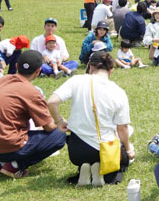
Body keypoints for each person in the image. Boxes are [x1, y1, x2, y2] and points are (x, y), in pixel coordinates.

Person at [0, 50, 67, 177]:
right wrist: (60, 121)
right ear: (38, 71)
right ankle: (15, 166)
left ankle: (1, 163)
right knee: (59, 135)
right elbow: (49, 126)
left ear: (16, 66)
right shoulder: (31, 92)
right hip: (4, 146)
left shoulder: (3, 80)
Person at [47, 51, 134, 186]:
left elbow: (52, 102)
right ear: (111, 69)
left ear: (91, 67)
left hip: (77, 151)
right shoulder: (118, 92)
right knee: (124, 157)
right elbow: (122, 128)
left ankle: (85, 169)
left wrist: (59, 121)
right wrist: (128, 149)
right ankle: (101, 173)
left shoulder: (76, 80)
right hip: (104, 149)